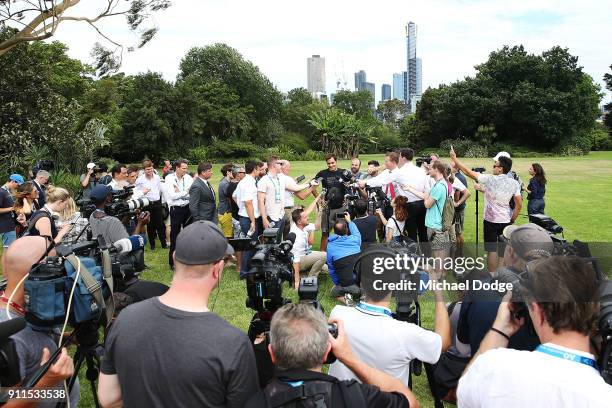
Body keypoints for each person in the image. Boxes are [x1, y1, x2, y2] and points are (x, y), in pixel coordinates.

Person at [98, 221, 259, 408]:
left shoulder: (125, 319)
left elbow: (108, 398)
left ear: (174, 258)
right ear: (217, 270)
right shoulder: (233, 343)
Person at [457, 256, 612, 407]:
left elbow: (465, 392)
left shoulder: (494, 368)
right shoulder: (604, 397)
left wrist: (499, 330)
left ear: (538, 311)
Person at [245, 303, 419, 408]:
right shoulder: (353, 396)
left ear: (271, 353)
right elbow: (410, 402)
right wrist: (349, 358)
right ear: (327, 352)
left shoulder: (253, 402)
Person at [328, 255, 451, 387]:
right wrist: (438, 293)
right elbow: (443, 343)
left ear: (360, 282)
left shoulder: (338, 314)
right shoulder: (406, 333)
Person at [0, 236, 80, 408]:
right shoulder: (9, 337)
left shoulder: (31, 311)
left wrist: (68, 337)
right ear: (40, 275)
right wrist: (47, 382)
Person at [457, 223, 554, 355]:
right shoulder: (560, 302)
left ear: (511, 252)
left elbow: (463, 347)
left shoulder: (477, 290)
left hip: (484, 369)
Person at [451, 147, 522, 272]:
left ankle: (491, 275)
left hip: (490, 221)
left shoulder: (489, 179)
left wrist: (454, 159)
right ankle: (501, 276)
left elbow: (468, 172)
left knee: (491, 250)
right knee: (502, 251)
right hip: (505, 220)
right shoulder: (514, 183)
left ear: (500, 168)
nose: (493, 167)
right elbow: (519, 204)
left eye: (495, 165)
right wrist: (512, 218)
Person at [315, 154, 352, 251]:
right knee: (325, 233)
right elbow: (313, 185)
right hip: (328, 209)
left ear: (336, 161)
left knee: (343, 231)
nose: (331, 165)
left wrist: (347, 197)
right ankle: (322, 255)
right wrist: (318, 198)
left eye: (332, 163)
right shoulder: (322, 174)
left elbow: (351, 185)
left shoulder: (343, 173)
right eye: (328, 163)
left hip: (341, 208)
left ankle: (344, 252)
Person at [289, 193, 326, 289]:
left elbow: (317, 227)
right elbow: (295, 261)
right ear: (299, 221)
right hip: (300, 261)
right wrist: (297, 283)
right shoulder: (296, 236)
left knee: (327, 269)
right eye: (305, 217)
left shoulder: (303, 226)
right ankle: (309, 282)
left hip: (305, 254)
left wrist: (320, 211)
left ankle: (304, 274)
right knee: (323, 256)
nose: (308, 217)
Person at [233, 160, 263, 278]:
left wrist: (241, 207)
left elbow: (234, 195)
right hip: (249, 218)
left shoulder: (244, 181)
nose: (260, 171)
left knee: (252, 244)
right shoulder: (249, 183)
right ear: (254, 169)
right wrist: (252, 221)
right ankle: (245, 273)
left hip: (246, 216)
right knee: (250, 246)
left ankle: (250, 270)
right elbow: (248, 202)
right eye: (259, 169)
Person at [165, 159, 193, 269]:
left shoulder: (188, 178)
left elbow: (192, 193)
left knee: (188, 235)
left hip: (187, 208)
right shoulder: (169, 178)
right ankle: (173, 262)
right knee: (175, 235)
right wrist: (186, 192)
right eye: (183, 168)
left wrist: (180, 193)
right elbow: (172, 195)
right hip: (176, 209)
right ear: (177, 168)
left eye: (186, 168)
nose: (186, 170)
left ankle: (187, 259)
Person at [326, 213, 362, 298]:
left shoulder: (330, 246)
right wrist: (349, 221)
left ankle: (346, 298)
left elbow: (331, 269)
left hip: (346, 284)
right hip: (361, 282)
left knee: (333, 291)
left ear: (334, 231)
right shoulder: (355, 239)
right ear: (347, 230)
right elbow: (356, 232)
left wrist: (337, 284)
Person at [279, 159, 317, 238]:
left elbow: (295, 188)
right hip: (287, 211)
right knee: (288, 237)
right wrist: (312, 186)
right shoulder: (286, 178)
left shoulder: (276, 178)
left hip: (278, 211)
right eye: (288, 167)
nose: (289, 169)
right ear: (282, 167)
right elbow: (302, 195)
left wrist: (306, 182)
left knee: (277, 237)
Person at [135, 159, 167, 250]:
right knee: (150, 225)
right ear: (144, 170)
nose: (150, 171)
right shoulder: (140, 180)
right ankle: (152, 244)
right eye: (147, 169)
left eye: (151, 168)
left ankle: (164, 244)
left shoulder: (157, 177)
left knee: (160, 224)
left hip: (157, 203)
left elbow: (159, 189)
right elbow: (137, 192)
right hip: (147, 204)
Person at [258, 156, 286, 231]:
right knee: (271, 242)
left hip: (281, 216)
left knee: (279, 242)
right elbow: (260, 201)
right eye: (280, 164)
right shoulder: (264, 180)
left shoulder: (279, 179)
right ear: (274, 165)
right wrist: (264, 219)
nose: (282, 166)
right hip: (271, 217)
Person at [450, 160, 469, 252]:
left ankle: (459, 251)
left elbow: (457, 194)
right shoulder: (458, 176)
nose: (450, 165)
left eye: (452, 164)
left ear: (456, 167)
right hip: (458, 208)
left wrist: (456, 204)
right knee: (457, 231)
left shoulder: (458, 177)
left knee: (458, 232)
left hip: (457, 209)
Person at [0, 174, 23, 247]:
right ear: (13, 181)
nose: (18, 187)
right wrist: (12, 208)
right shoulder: (1, 192)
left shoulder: (8, 192)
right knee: (8, 251)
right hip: (6, 227)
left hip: (11, 225)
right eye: (18, 185)